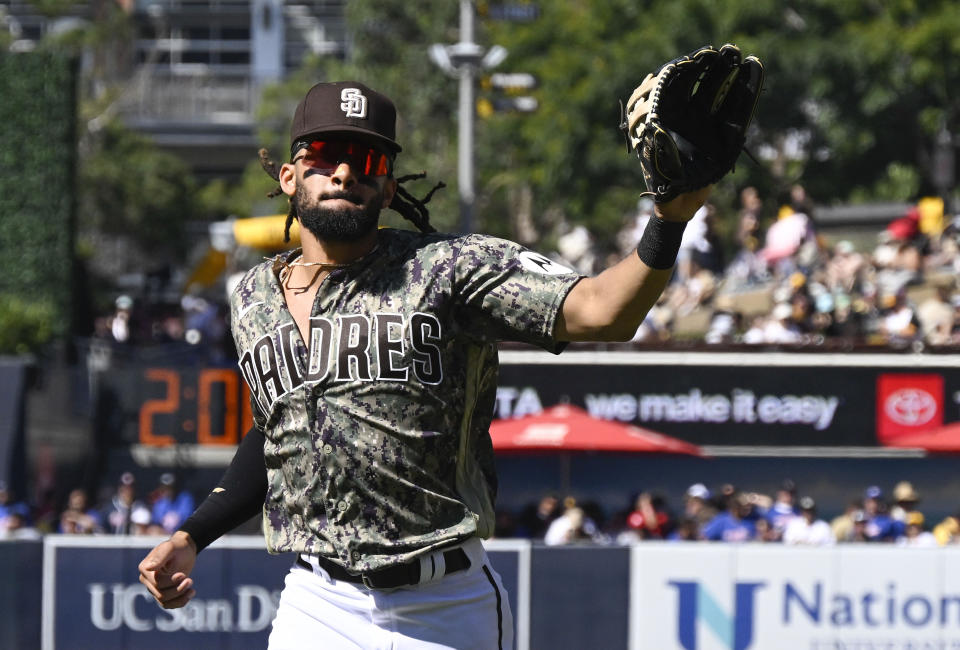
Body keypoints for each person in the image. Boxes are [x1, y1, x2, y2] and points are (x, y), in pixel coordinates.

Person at [138, 80, 713, 650]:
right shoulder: (253, 298)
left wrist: (668, 220)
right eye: (323, 157)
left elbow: (603, 311)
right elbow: (276, 431)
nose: (343, 173)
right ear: (289, 176)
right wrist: (193, 535)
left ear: (387, 186)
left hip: (444, 605)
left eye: (365, 159)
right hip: (317, 603)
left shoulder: (448, 269)